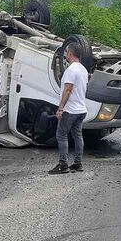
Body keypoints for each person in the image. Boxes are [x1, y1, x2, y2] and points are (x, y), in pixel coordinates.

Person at [49, 42, 88, 174]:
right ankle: (78, 163)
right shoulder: (83, 70)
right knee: (78, 135)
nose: (66, 54)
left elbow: (68, 90)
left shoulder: (71, 70)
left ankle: (63, 164)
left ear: (70, 53)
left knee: (61, 135)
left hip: (70, 110)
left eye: (66, 52)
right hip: (81, 109)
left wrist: (60, 108)